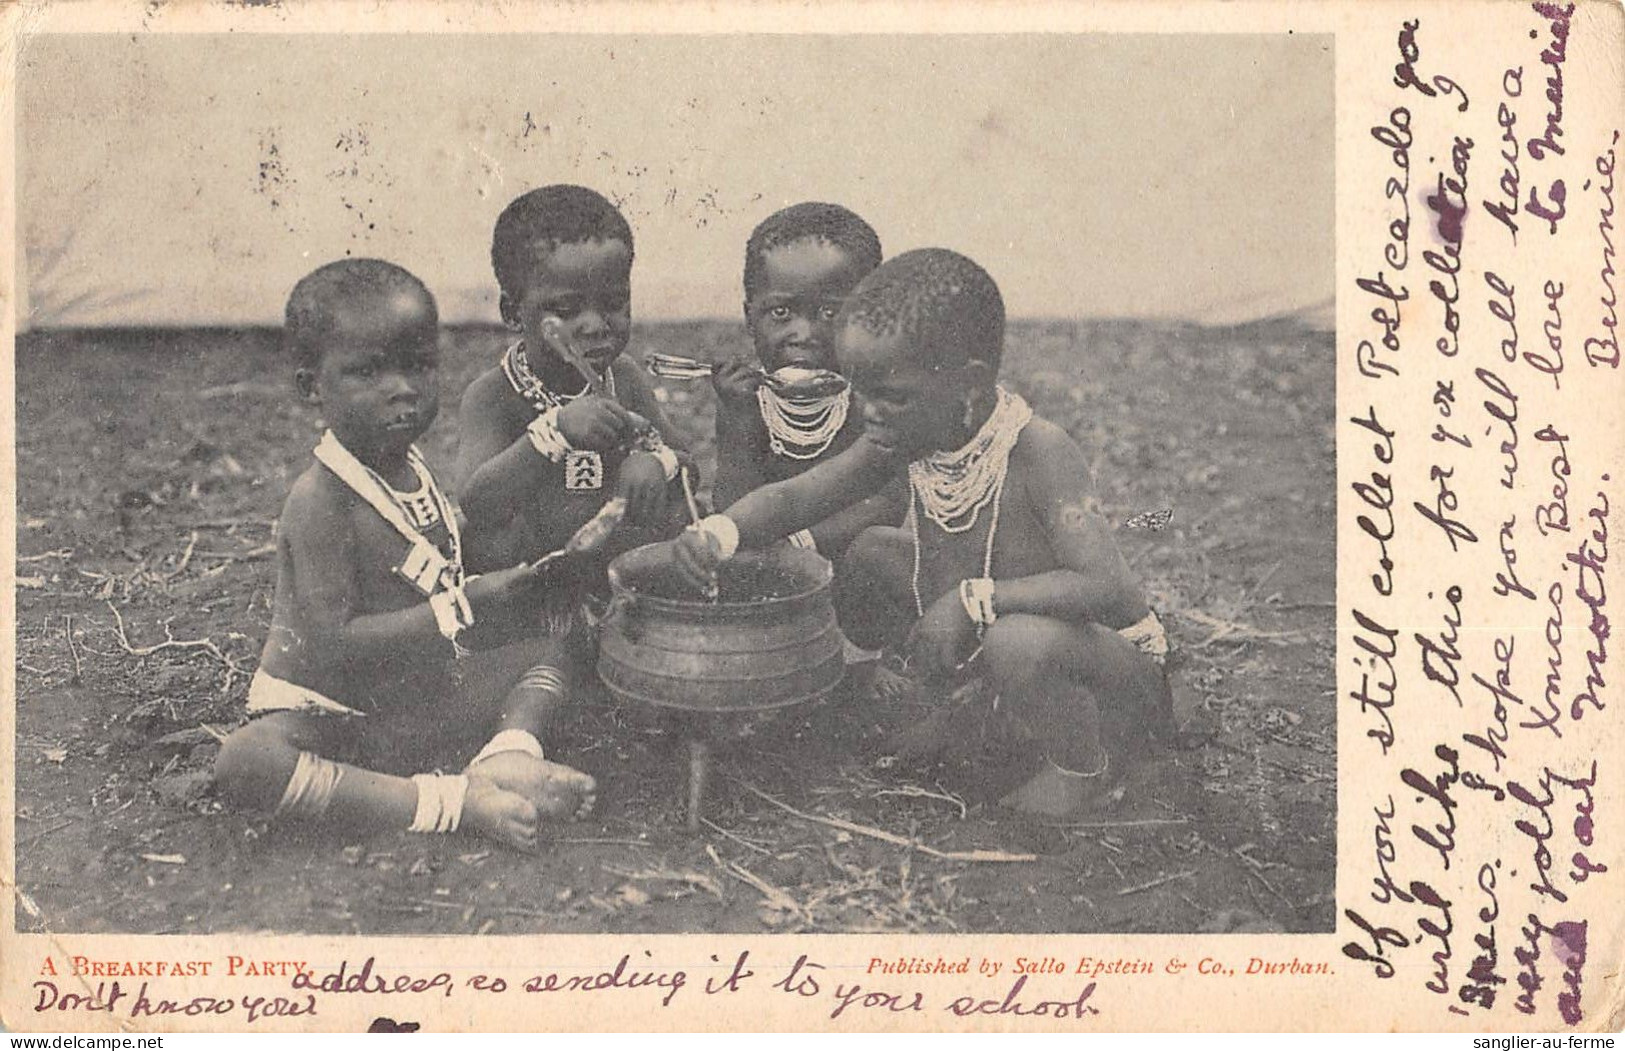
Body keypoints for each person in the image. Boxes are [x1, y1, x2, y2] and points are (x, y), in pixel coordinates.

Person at [665, 249, 1173, 819]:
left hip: (1099, 675)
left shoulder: (1038, 451)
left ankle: (1083, 767)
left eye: (893, 395)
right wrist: (718, 533)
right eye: (861, 392)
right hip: (995, 638)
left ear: (970, 385)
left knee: (1017, 640)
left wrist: (974, 601)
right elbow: (798, 497)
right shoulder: (905, 434)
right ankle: (963, 708)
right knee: (873, 552)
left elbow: (1105, 587)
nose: (870, 412)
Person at [214, 259, 597, 850]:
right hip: (330, 716)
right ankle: (447, 803)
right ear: (310, 386)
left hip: (410, 699)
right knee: (250, 761)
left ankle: (507, 756)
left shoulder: (409, 468)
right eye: (368, 372)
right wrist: (462, 607)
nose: (403, 389)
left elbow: (438, 551)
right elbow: (331, 644)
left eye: (418, 366)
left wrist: (516, 575)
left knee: (551, 646)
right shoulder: (321, 501)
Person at [709, 202, 894, 559]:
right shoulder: (749, 401)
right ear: (750, 318)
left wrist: (801, 544)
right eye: (781, 313)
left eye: (830, 313)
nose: (803, 334)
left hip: (857, 565)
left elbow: (887, 504)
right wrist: (738, 417)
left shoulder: (875, 401)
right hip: (776, 573)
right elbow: (731, 506)